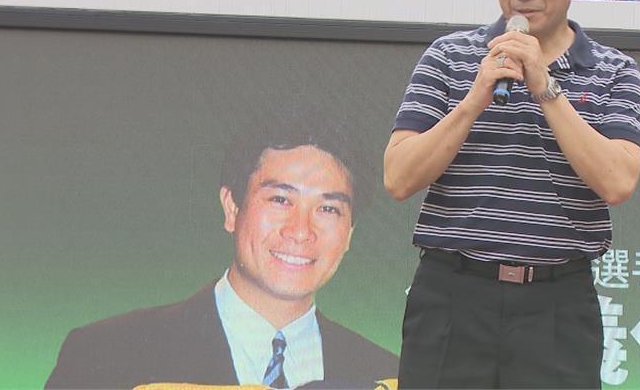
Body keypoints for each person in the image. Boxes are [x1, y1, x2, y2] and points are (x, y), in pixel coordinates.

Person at [384, 0, 640, 389]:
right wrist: (474, 99)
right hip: (452, 296)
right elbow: (398, 178)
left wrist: (545, 86)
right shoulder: (449, 57)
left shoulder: (614, 71)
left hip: (556, 306)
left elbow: (617, 182)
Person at [46, 124, 398, 389]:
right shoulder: (107, 357)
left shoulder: (391, 377)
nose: (301, 230)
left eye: (328, 208)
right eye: (280, 200)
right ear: (232, 208)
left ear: (350, 234)